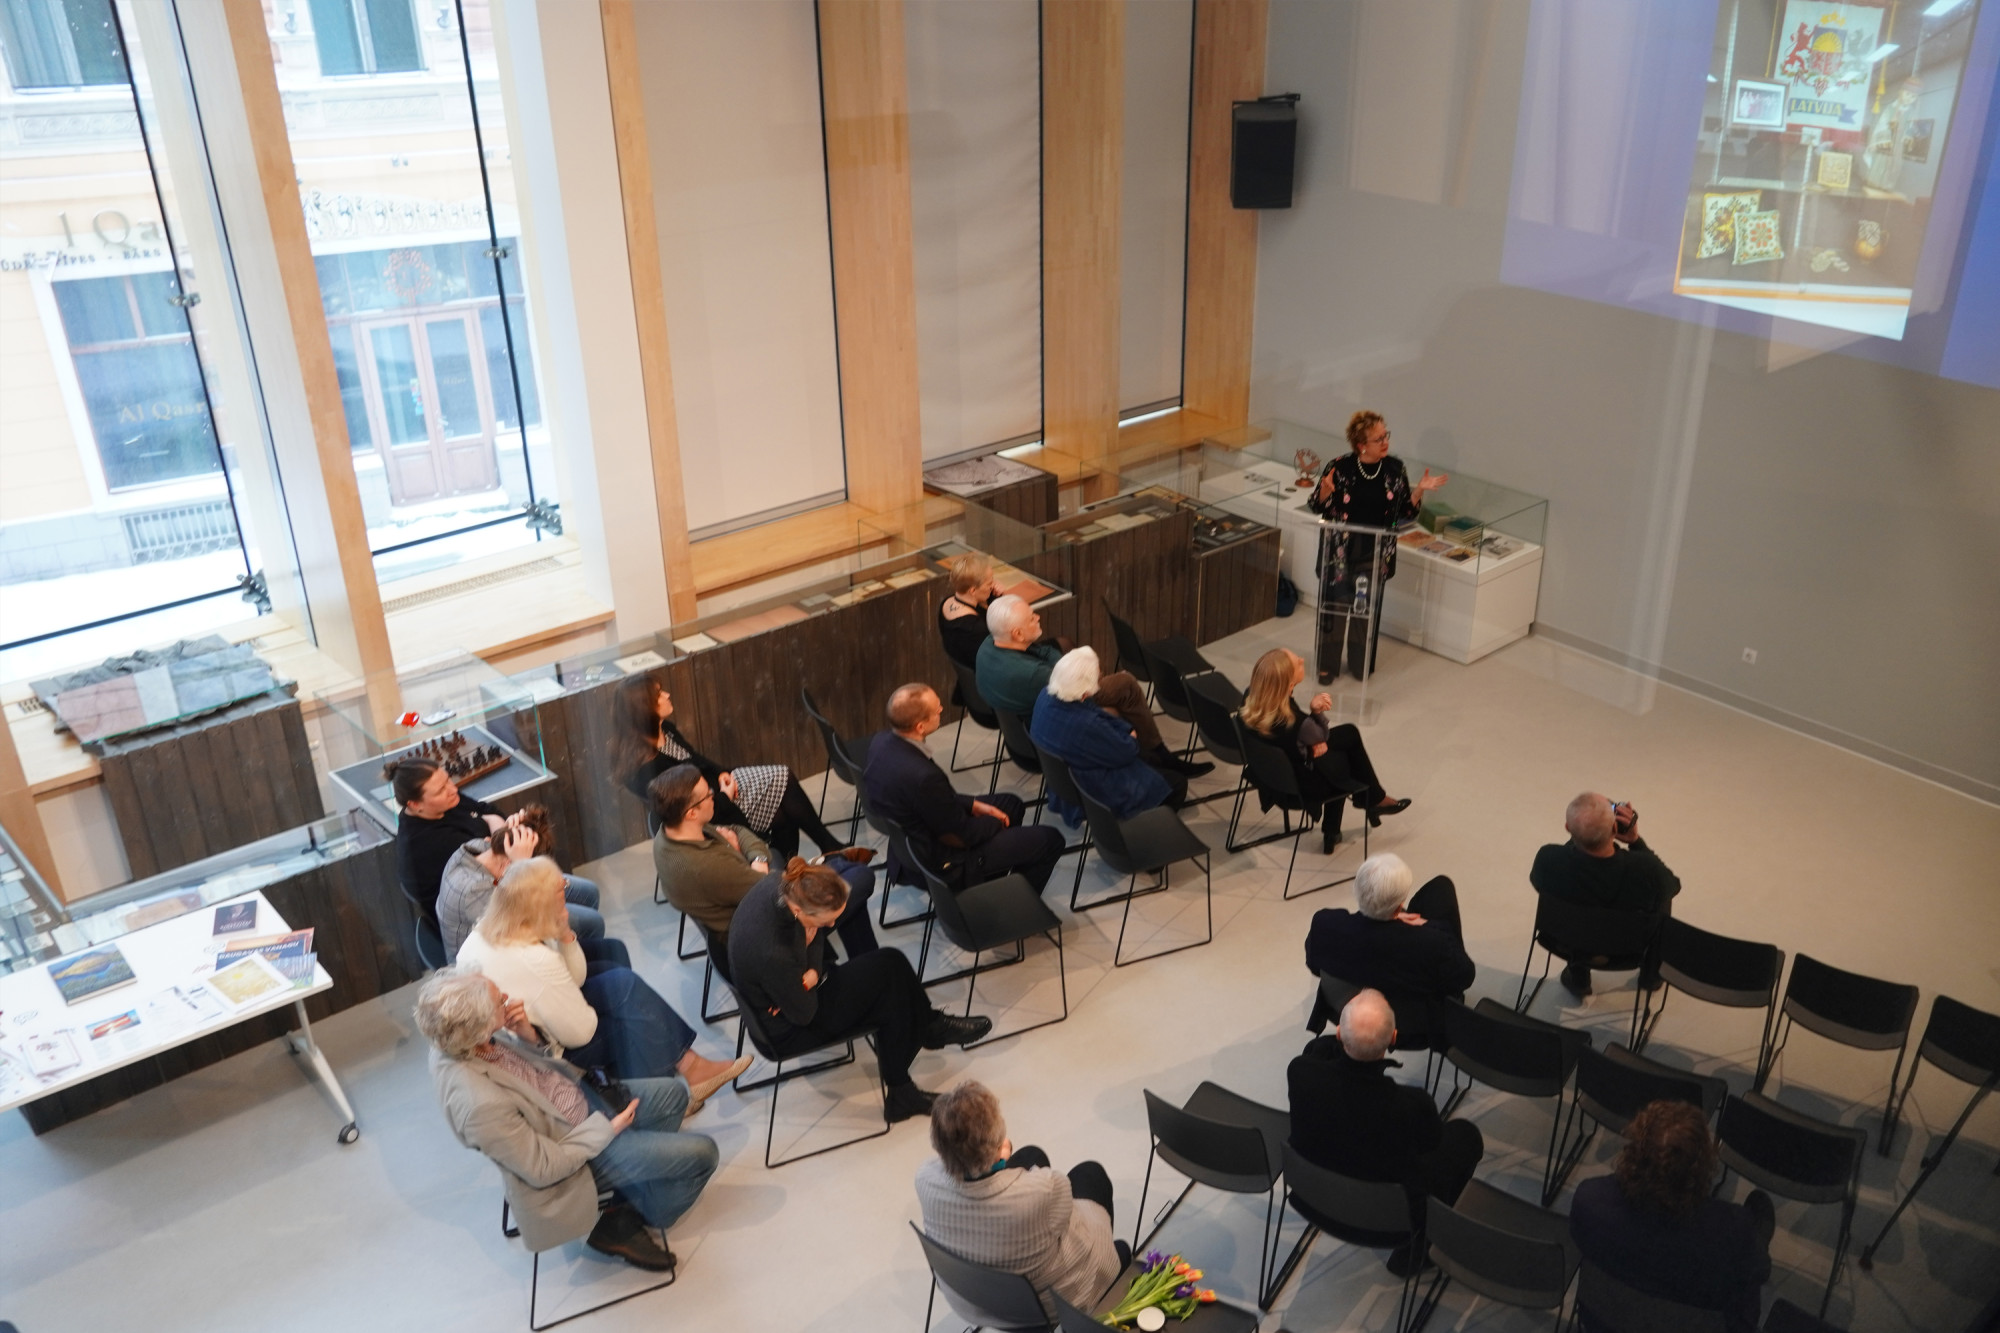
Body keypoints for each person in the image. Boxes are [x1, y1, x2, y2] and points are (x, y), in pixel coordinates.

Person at [418, 967, 718, 1273]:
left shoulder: (465, 1038)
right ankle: (632, 1217)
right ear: (481, 1029)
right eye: (499, 1001)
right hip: (576, 1157)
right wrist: (607, 1130)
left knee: (673, 1096)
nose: (507, 997)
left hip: (581, 1103)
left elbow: (538, 1073)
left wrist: (530, 1037)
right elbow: (544, 1168)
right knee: (705, 1154)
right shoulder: (480, 1105)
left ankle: (634, 1185)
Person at [456, 857, 749, 1102]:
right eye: (561, 889)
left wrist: (565, 934)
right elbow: (580, 1034)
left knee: (614, 953)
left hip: (535, 1015)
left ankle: (663, 1072)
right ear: (542, 905)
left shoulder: (491, 926)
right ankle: (680, 1075)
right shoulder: (535, 961)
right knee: (626, 997)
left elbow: (575, 977)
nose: (566, 890)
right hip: (548, 1051)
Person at [728, 858, 990, 1123]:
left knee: (891, 961)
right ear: (799, 910)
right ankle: (904, 1087)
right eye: (826, 921)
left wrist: (811, 968)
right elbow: (804, 1013)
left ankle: (928, 1027)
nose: (832, 925)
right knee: (888, 998)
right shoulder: (774, 952)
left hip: (791, 993)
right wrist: (810, 968)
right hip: (787, 1027)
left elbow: (814, 939)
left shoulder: (781, 884)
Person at [1288, 988, 1483, 1277]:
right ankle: (1418, 1248)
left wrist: (1344, 1040)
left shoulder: (1300, 1072)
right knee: (1466, 1136)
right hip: (1390, 1223)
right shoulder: (1411, 1104)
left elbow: (1317, 1050)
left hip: (1313, 1197)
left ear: (1338, 1033)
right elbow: (1431, 1143)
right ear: (1393, 1039)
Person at [915, 1080, 1125, 1322]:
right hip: (1043, 1308)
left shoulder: (924, 1180)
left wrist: (997, 1161)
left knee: (1031, 1155)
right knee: (1090, 1174)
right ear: (996, 1143)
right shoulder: (1045, 1189)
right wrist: (999, 1159)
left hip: (971, 1299)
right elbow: (1070, 1220)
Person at [1570, 1100, 1774, 1333]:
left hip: (1601, 1324)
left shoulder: (1590, 1200)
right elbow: (1758, 1276)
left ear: (1633, 1152)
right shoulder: (1734, 1232)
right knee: (1758, 1218)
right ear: (1702, 1165)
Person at [649, 762, 878, 962]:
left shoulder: (671, 831)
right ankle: (860, 959)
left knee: (829, 872)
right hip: (772, 929)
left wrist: (755, 858)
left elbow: (738, 830)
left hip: (754, 899)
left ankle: (863, 961)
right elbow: (769, 889)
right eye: (708, 794)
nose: (713, 795)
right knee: (860, 875)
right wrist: (746, 857)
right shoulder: (705, 866)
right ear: (691, 813)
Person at [864, 683, 1068, 896]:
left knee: (1011, 804)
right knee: (1050, 840)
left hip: (915, 839)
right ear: (920, 727)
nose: (941, 709)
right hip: (944, 859)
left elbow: (926, 799)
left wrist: (974, 804)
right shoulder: (924, 777)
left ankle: (992, 880)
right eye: (936, 710)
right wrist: (995, 822)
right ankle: (1013, 902)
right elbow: (961, 836)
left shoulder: (881, 742)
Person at [977, 595, 1209, 779]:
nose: (1037, 617)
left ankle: (1145, 753)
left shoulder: (990, 643)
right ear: (1017, 633)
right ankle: (1157, 755)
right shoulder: (1033, 675)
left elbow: (1046, 652)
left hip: (1023, 728)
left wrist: (1064, 663)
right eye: (1031, 619)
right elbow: (1074, 685)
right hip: (1051, 726)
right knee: (1126, 684)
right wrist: (1071, 667)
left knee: (1071, 650)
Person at [612, 674, 840, 860]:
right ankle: (824, 850)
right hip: (711, 814)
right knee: (782, 803)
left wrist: (722, 772)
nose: (667, 695)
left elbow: (697, 759)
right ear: (644, 709)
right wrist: (725, 797)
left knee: (783, 786)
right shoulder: (647, 768)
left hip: (716, 789)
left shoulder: (666, 730)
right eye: (659, 694)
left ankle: (814, 856)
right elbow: (689, 812)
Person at [1306, 410, 1447, 681]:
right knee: (1335, 607)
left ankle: (1360, 663)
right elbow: (1316, 505)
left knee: (1365, 610)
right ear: (1361, 445)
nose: (1386, 442)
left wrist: (1419, 491)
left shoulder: (1395, 469)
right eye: (1379, 439)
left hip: (1375, 553)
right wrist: (1324, 491)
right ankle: (1327, 665)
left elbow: (1405, 512)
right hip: (1339, 553)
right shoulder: (1339, 467)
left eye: (1386, 435)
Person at [393, 757, 599, 933]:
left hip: (504, 882)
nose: (453, 789)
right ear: (415, 804)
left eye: (448, 780)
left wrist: (498, 832)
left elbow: (491, 813)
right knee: (591, 923)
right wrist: (499, 833)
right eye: (440, 790)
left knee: (589, 892)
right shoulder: (425, 845)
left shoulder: (447, 801)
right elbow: (501, 869)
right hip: (489, 915)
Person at [1239, 647, 1409, 853]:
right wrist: (1316, 712)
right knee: (1345, 761)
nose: (1302, 660)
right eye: (1297, 663)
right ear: (1289, 683)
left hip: (1270, 776)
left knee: (1348, 734)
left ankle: (1351, 819)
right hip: (1301, 787)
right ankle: (1367, 805)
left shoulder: (1250, 700)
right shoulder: (1299, 723)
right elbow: (1320, 734)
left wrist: (1309, 742)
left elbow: (1310, 739)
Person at [1303, 853, 1472, 1050]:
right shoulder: (1432, 943)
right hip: (1412, 1029)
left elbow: (1315, 966)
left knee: (1438, 890)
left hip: (1344, 1010)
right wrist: (1428, 926)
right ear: (1400, 905)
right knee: (1441, 890)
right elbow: (1464, 978)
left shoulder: (1324, 924)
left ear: (1356, 890)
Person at [1529, 793, 1681, 998]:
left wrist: (1582, 833)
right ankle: (1651, 975)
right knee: (1661, 896)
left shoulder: (1548, 859)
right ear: (1615, 829)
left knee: (1566, 893)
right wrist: (1636, 842)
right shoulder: (1646, 870)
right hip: (1628, 950)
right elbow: (1673, 886)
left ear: (1567, 828)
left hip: (1563, 942)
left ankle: (1578, 977)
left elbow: (1540, 884)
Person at [1030, 647, 1185, 823]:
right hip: (1090, 785)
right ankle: (1143, 825)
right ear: (1084, 692)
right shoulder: (1086, 724)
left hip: (1064, 777)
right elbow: (1127, 752)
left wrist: (1124, 730)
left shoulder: (1046, 695)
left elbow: (1093, 710)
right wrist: (1129, 735)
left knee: (1151, 758)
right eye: (1099, 677)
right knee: (1178, 784)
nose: (1100, 679)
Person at [437, 807, 605, 959]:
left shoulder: (479, 847)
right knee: (592, 923)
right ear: (509, 864)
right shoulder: (474, 891)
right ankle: (575, 967)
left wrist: (510, 831)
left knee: (588, 892)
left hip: (505, 900)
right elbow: (524, 926)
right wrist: (521, 869)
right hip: (486, 959)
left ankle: (575, 955)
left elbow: (501, 849)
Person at [938, 551, 999, 674]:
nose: (993, 585)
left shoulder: (946, 603)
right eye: (989, 583)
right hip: (986, 677)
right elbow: (998, 658)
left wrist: (993, 596)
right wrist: (1000, 599)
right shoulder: (975, 627)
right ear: (973, 590)